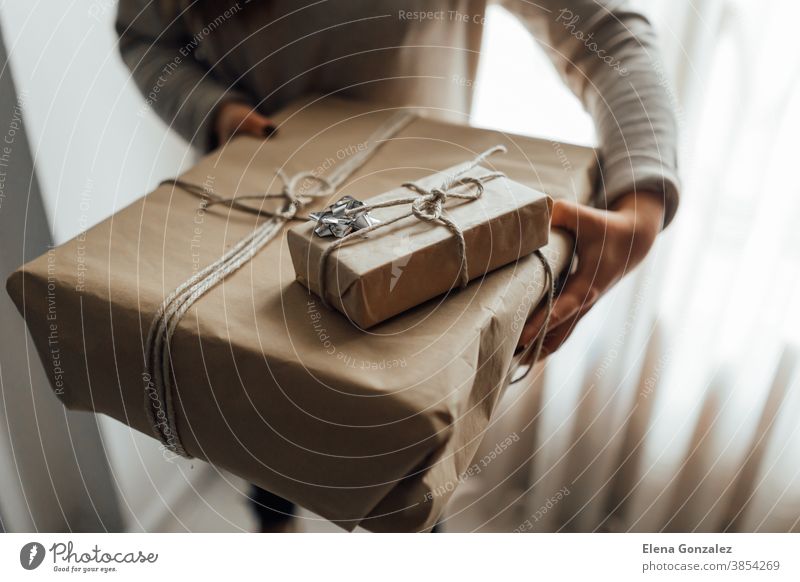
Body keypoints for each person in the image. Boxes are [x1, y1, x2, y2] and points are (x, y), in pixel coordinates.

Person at [116, 0, 679, 532]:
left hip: (419, 248)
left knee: (408, 473)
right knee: (266, 432)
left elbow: (608, 35)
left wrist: (643, 201)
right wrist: (216, 113)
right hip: (252, 219)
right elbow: (144, 38)